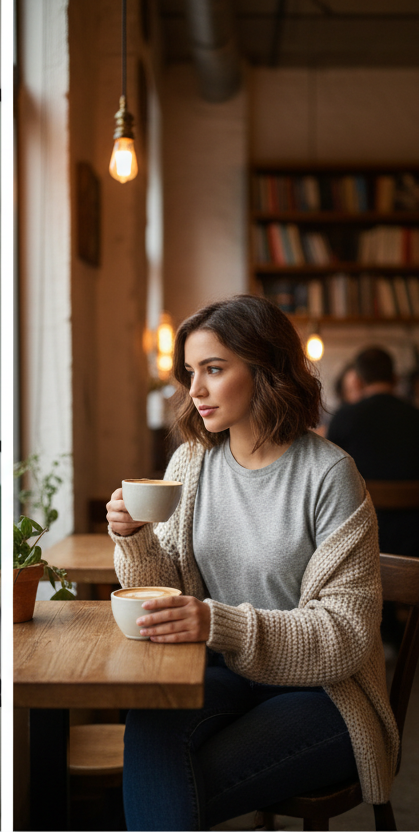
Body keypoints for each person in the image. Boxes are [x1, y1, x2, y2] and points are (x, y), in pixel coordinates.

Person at [104, 295, 397, 830]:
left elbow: (346, 634)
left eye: (214, 370)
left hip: (323, 694)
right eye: (191, 372)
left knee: (165, 787)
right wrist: (136, 538)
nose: (195, 391)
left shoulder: (330, 474)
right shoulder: (191, 462)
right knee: (152, 725)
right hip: (223, 673)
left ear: (267, 369)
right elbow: (162, 587)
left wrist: (217, 621)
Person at [328, 345, 419, 558]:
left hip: (359, 540)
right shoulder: (415, 417)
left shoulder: (343, 418)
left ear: (358, 381)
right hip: (414, 540)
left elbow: (329, 480)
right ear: (395, 378)